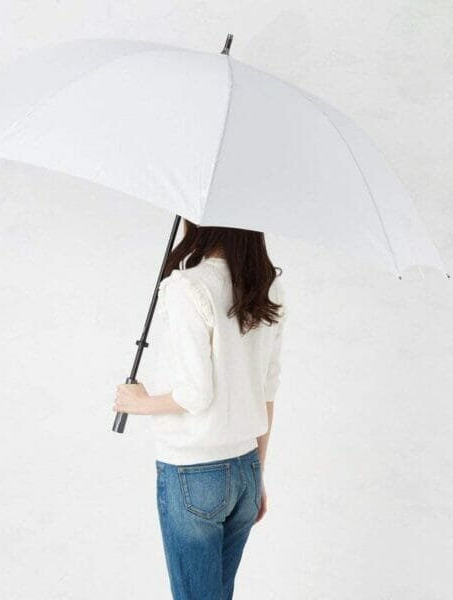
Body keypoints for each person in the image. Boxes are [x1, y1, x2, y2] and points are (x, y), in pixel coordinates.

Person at [113, 218, 287, 599]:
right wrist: (257, 476)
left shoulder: (188, 286)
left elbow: (195, 393)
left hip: (193, 472)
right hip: (245, 468)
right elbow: (267, 389)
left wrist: (140, 403)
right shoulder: (267, 287)